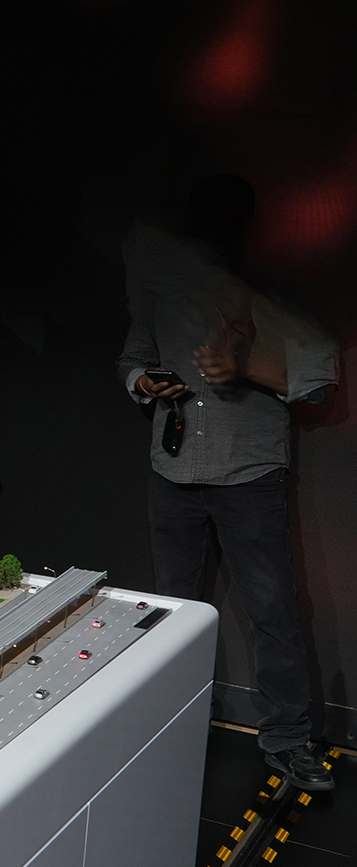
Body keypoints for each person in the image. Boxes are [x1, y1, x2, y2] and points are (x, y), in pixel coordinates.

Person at [117, 174, 338, 791]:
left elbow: (320, 381)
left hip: (249, 473)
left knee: (272, 610)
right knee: (174, 608)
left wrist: (247, 369)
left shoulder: (275, 296)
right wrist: (145, 382)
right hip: (174, 471)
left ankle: (287, 737)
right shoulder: (164, 291)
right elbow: (131, 358)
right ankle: (171, 720)